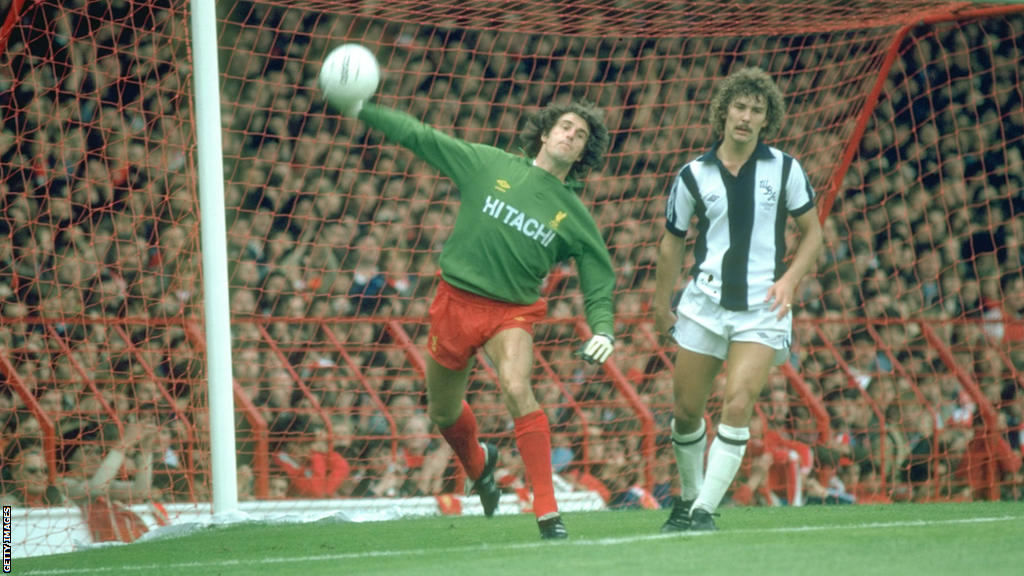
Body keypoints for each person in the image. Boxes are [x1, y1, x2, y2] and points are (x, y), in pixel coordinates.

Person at [323, 70, 615, 539]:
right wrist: (362, 110)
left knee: (517, 387)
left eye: (581, 135)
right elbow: (422, 137)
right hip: (454, 302)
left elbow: (599, 273)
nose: (571, 136)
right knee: (442, 413)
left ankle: (547, 512)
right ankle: (481, 467)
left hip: (511, 312)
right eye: (565, 127)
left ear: (584, 153)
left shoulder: (575, 215)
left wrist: (603, 327)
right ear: (545, 132)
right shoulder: (488, 164)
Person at [652, 67, 823, 531]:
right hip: (703, 304)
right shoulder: (692, 174)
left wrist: (788, 282)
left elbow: (814, 234)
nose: (746, 117)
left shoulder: (785, 168)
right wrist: (658, 303)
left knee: (738, 401)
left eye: (756, 110)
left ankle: (704, 511)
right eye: (740, 107)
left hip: (762, 308)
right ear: (724, 111)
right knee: (686, 411)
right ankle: (688, 498)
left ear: (767, 119)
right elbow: (671, 242)